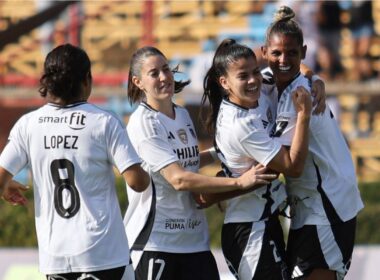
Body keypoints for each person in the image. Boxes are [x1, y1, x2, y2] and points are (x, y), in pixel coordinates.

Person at [124, 46, 277, 280]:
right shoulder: (143, 123)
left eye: (166, 69)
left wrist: (224, 150)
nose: (164, 77)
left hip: (195, 242)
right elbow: (179, 179)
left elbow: (191, 160)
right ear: (138, 82)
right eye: (154, 73)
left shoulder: (182, 114)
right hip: (156, 243)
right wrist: (238, 183)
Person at [0, 43, 150, 280]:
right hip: (103, 254)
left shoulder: (28, 124)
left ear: (48, 82)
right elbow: (136, 182)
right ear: (87, 80)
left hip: (55, 257)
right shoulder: (103, 122)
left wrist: (6, 185)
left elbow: (1, 177)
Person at [260, 6, 364, 280]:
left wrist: (227, 182)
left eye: (292, 53)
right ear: (264, 53)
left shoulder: (298, 96)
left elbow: (283, 164)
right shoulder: (276, 81)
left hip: (327, 206)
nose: (283, 59)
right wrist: (314, 75)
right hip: (309, 206)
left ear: (304, 52)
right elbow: (296, 71)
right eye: (277, 53)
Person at [200, 38, 312, 280]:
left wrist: (316, 79)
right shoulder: (242, 126)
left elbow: (293, 67)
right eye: (243, 76)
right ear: (224, 82)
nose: (253, 80)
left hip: (263, 221)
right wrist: (303, 115)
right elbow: (293, 167)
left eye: (255, 72)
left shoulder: (257, 93)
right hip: (249, 230)